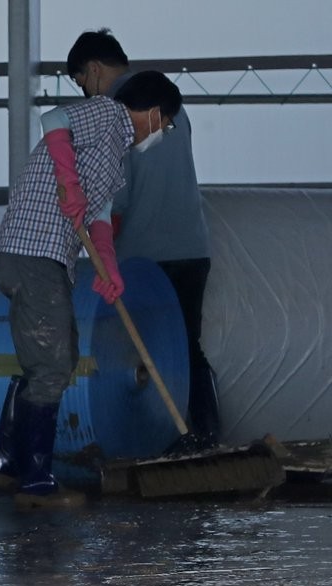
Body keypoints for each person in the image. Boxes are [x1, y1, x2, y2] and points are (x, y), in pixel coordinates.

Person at [0, 71, 183, 508]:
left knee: (53, 358)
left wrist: (109, 269)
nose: (164, 132)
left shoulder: (116, 160)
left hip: (50, 258)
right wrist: (68, 178)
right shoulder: (109, 114)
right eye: (166, 123)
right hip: (31, 250)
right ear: (154, 113)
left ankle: (6, 463)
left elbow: (98, 218)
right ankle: (36, 482)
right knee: (53, 365)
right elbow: (56, 120)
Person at [66, 29, 221, 449]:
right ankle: (207, 435)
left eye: (82, 82)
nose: (85, 93)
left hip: (147, 259)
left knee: (141, 351)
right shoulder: (172, 104)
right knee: (187, 346)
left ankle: (160, 439)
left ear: (95, 69)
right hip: (193, 250)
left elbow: (116, 202)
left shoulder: (116, 113)